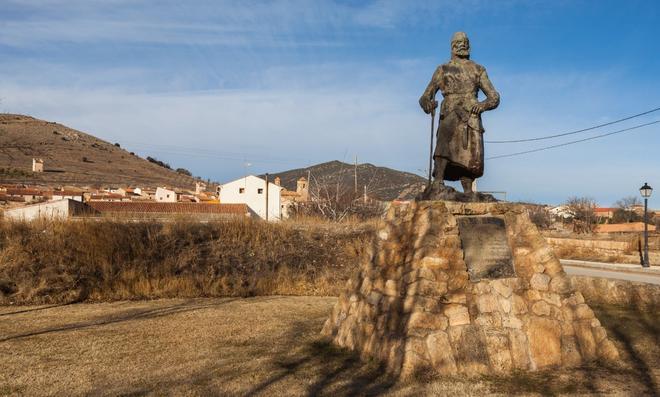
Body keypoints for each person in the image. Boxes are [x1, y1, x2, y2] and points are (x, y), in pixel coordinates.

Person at [419, 31, 500, 194]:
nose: (463, 45)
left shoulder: (478, 69)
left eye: (465, 42)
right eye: (459, 42)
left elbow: (494, 97)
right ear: (452, 46)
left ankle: (468, 193)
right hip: (449, 112)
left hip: (471, 115)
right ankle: (438, 182)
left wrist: (482, 105)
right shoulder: (443, 69)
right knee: (443, 147)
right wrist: (428, 104)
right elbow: (424, 97)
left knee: (469, 154)